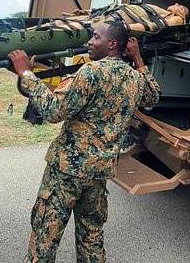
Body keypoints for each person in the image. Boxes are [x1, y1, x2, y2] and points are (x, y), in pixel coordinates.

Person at [8, 20, 160, 263]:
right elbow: (153, 95)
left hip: (68, 171)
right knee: (91, 236)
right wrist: (139, 59)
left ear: (111, 44)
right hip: (100, 172)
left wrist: (26, 73)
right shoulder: (134, 78)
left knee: (46, 234)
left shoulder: (90, 72)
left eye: (95, 37)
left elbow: (53, 110)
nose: (89, 41)